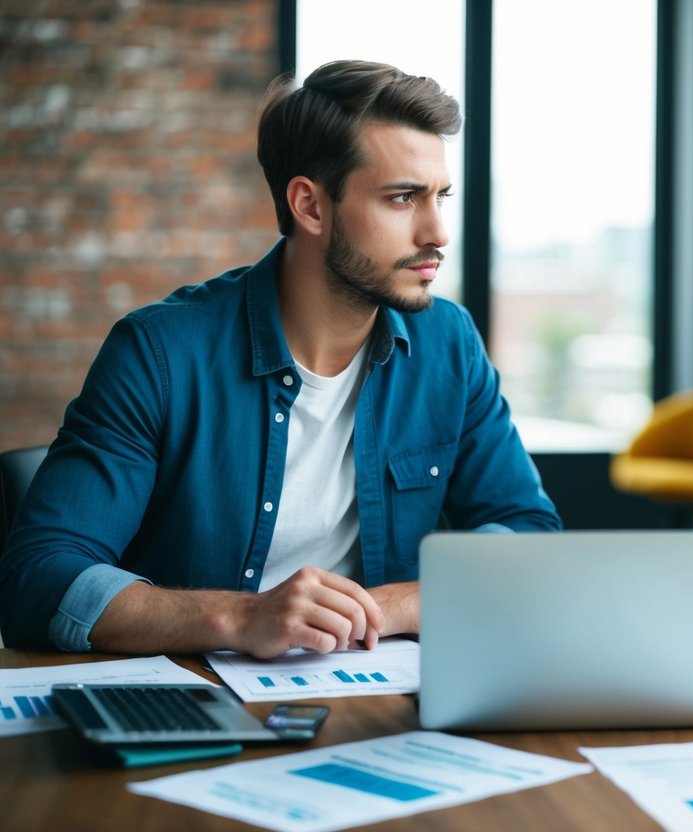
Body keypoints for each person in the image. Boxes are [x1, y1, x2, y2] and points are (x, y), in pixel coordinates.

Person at [0, 61, 560, 656]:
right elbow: (36, 580)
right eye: (403, 198)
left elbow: (528, 533)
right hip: (196, 703)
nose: (438, 232)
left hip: (373, 694)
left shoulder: (448, 344)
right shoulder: (160, 353)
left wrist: (386, 607)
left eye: (440, 197)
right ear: (310, 206)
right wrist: (239, 619)